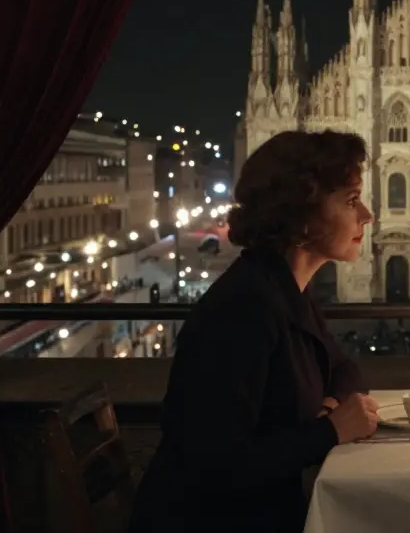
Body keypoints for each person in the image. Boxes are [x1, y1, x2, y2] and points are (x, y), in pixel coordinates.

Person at [129, 130, 381, 533]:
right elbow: (215, 466)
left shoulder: (286, 288)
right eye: (351, 201)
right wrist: (329, 431)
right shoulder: (245, 307)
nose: (367, 215)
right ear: (301, 214)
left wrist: (331, 407)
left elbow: (343, 369)